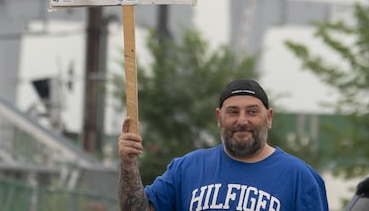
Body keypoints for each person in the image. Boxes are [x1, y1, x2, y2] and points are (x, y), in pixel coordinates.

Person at [117, 78, 328, 211]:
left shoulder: (300, 178)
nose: (242, 120)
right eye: (233, 112)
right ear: (219, 118)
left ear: (269, 118)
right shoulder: (187, 169)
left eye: (252, 112)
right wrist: (128, 164)